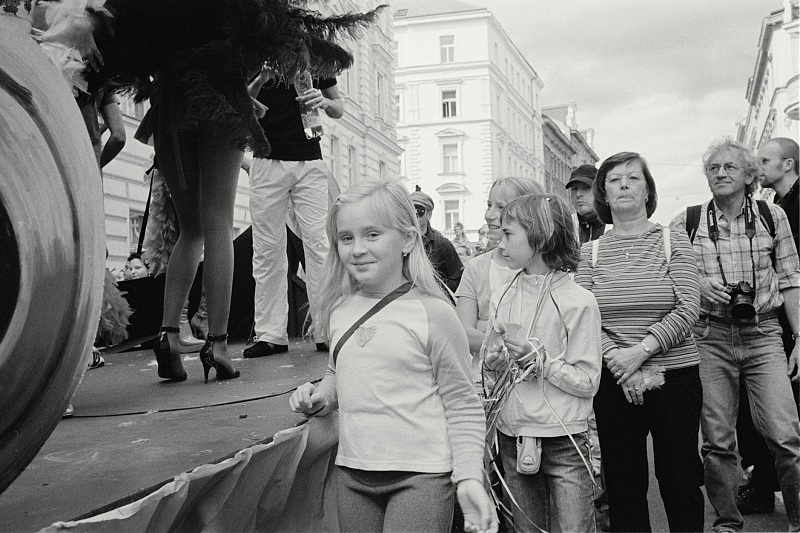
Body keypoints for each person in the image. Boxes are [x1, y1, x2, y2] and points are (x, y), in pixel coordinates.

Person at [288, 178, 497, 533]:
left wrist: (469, 477)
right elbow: (337, 371)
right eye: (346, 237)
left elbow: (462, 403)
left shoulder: (435, 313)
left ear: (408, 239)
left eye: (372, 234)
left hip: (422, 476)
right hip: (352, 472)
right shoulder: (339, 310)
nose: (357, 249)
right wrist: (321, 395)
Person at [670, 138, 800, 533]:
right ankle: (728, 522)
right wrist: (699, 284)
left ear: (748, 175)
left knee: (786, 435)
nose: (720, 173)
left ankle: (797, 520)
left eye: (729, 167)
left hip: (763, 333)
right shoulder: (685, 222)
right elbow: (671, 280)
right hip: (709, 336)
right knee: (717, 440)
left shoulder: (771, 215)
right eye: (713, 168)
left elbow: (791, 280)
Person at [577, 152, 705, 532]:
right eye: (615, 180)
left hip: (675, 375)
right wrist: (617, 359)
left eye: (634, 178)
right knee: (624, 485)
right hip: (615, 379)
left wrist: (641, 352)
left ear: (648, 189)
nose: (625, 185)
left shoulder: (672, 239)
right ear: (604, 192)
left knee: (680, 479)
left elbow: (689, 307)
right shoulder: (591, 251)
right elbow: (583, 318)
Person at [482, 193, 602, 532]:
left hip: (562, 439)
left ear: (540, 236)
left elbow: (589, 381)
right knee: (525, 528)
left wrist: (542, 362)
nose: (498, 240)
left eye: (508, 233)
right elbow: (494, 377)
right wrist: (493, 364)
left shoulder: (578, 301)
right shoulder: (501, 295)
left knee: (573, 528)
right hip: (512, 435)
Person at [243, 66, 345, 359]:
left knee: (319, 245)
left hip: (310, 161)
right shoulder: (254, 52)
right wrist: (260, 78)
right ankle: (270, 334)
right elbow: (239, 105)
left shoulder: (314, 57)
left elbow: (338, 108)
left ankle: (327, 328)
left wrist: (323, 102)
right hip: (266, 159)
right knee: (266, 249)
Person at [736, 137, 800, 515]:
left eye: (764, 159)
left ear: (788, 164)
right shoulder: (774, 205)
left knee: (780, 413)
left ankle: (766, 487)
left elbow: (792, 271)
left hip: (789, 320)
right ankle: (762, 483)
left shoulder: (791, 207)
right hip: (775, 322)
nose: (757, 165)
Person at [456, 177, 543, 365]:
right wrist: (512, 345)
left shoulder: (542, 269)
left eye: (501, 207)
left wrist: (485, 332)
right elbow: (462, 330)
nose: (489, 214)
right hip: (485, 379)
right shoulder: (477, 267)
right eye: (489, 205)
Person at [411, 189, 463, 293]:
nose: (414, 214)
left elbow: (458, 280)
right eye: (411, 210)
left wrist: (434, 288)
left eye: (419, 210)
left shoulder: (442, 244)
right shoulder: (400, 242)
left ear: (429, 215)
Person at [566, 164, 606, 245]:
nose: (578, 194)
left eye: (586, 187)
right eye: (574, 189)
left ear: (599, 190)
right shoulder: (566, 227)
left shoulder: (614, 225)